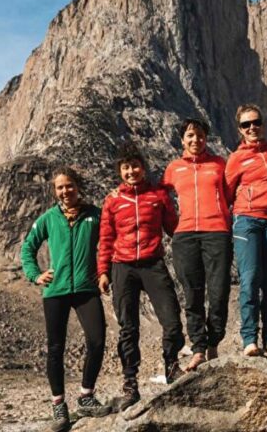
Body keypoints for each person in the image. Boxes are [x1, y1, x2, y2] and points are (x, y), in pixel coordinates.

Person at [20, 166, 111, 432]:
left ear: (77, 186)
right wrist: (35, 274)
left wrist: (104, 271)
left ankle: (86, 396)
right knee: (56, 348)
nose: (65, 191)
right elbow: (28, 247)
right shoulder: (48, 218)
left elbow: (108, 243)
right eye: (60, 187)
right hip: (56, 291)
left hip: (86, 288)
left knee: (97, 340)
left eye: (69, 185)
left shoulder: (95, 215)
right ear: (55, 191)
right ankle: (59, 405)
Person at [97, 145, 185, 411]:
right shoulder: (112, 200)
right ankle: (130, 383)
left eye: (135, 166)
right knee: (128, 328)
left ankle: (171, 365)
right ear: (120, 172)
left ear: (143, 168)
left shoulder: (158, 195)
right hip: (122, 267)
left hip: (153, 263)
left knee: (171, 319)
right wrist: (102, 271)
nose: (131, 171)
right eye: (126, 167)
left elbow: (174, 228)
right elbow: (105, 238)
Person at [162, 118, 233, 371]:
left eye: (200, 135)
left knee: (218, 292)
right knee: (192, 294)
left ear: (206, 139)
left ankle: (214, 341)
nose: (195, 140)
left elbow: (230, 194)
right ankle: (199, 348)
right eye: (190, 135)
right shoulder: (173, 168)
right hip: (185, 237)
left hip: (217, 233)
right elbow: (162, 199)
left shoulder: (219, 164)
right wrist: (175, 227)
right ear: (182, 140)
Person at [224, 103, 267, 357]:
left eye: (256, 122)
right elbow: (228, 192)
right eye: (246, 124)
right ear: (240, 129)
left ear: (263, 124)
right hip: (247, 221)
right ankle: (249, 339)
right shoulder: (237, 158)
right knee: (250, 280)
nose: (252, 127)